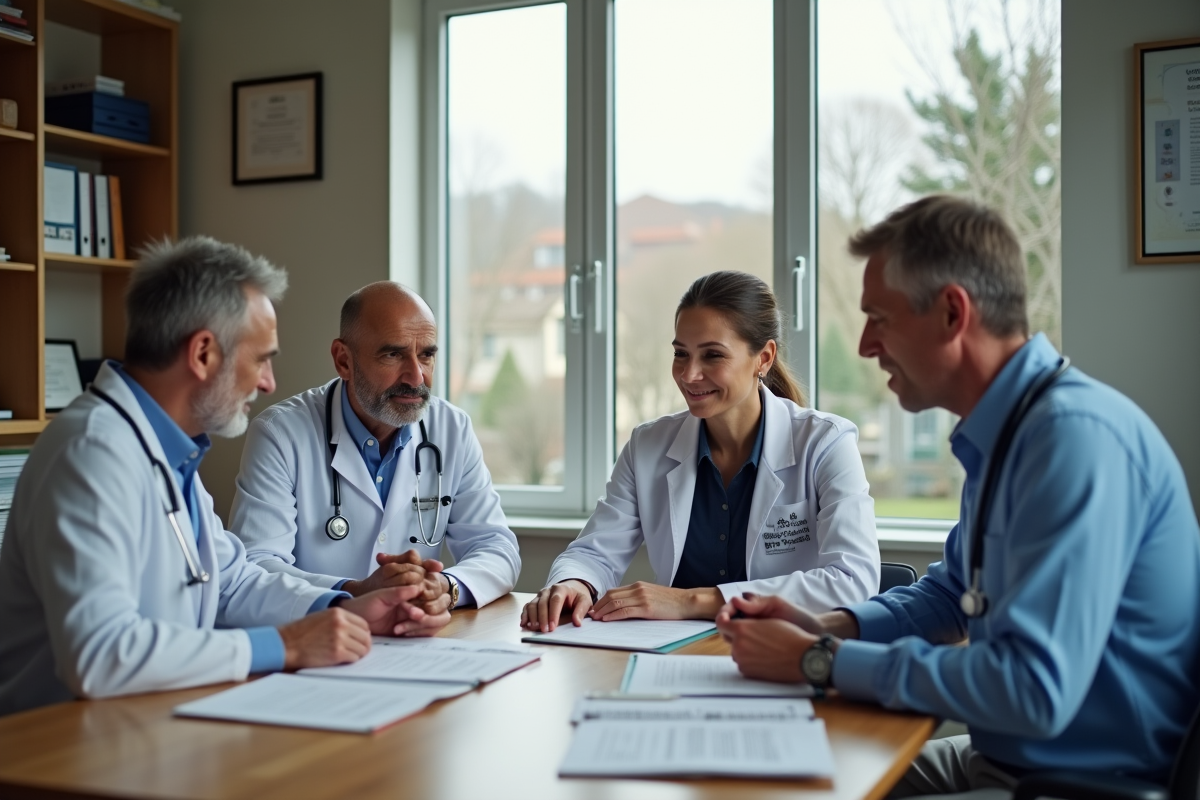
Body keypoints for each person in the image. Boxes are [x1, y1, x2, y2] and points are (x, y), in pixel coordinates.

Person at [716, 195, 1200, 798]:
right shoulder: (1010, 432)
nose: (865, 344)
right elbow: (950, 599)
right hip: (1002, 756)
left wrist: (820, 660)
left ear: (951, 312)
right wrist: (823, 625)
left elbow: (1031, 689)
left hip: (1078, 784)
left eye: (879, 318)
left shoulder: (1071, 442)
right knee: (776, 781)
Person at [0, 238, 449, 717]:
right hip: (58, 743)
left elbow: (231, 582)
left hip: (148, 725)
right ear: (203, 354)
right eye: (260, 359)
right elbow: (100, 653)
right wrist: (285, 645)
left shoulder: (165, 448)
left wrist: (344, 605)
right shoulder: (93, 452)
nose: (268, 382)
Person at [522, 271, 879, 632]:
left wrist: (690, 601)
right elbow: (595, 551)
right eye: (681, 354)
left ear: (764, 358)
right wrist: (574, 583)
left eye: (712, 355)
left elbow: (853, 580)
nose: (689, 374)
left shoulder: (826, 443)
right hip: (669, 650)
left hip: (781, 647)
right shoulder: (648, 446)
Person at [228, 282, 520, 616]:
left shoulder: (452, 429)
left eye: (426, 355)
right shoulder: (280, 433)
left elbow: (497, 548)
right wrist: (353, 593)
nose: (416, 377)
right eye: (393, 354)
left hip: (415, 632)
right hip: (321, 631)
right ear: (344, 360)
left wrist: (444, 587)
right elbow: (256, 566)